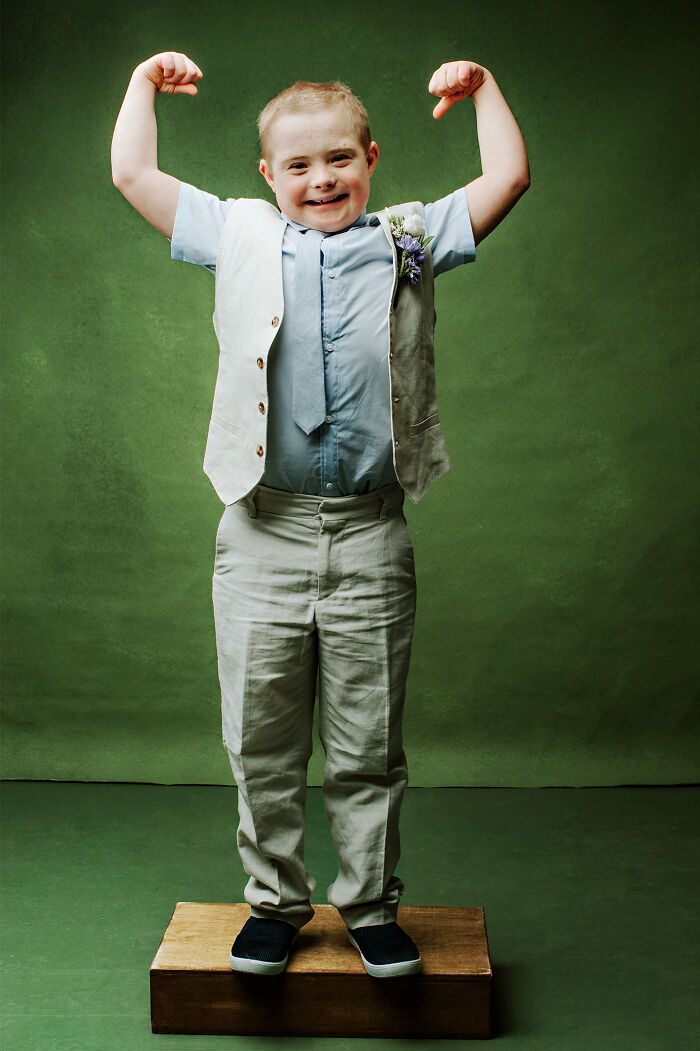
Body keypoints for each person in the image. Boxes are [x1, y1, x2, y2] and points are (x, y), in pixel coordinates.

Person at [111, 51, 529, 979]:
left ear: (371, 158)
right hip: (261, 528)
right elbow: (133, 175)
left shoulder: (410, 238)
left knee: (368, 742)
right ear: (268, 175)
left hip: (372, 530)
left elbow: (507, 178)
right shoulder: (239, 233)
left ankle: (372, 907)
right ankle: (274, 902)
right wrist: (143, 88)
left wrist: (481, 91)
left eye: (340, 158)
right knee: (260, 733)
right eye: (298, 165)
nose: (321, 178)